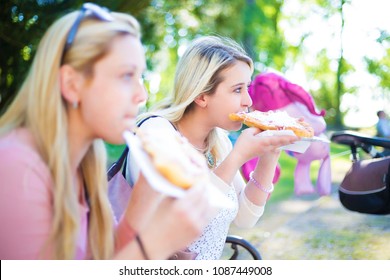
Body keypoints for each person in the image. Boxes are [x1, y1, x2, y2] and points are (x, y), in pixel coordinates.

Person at [0, 3, 213, 260]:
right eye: (126, 76)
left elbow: (106, 256)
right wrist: (157, 242)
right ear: (72, 84)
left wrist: (149, 188)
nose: (141, 95)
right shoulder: (15, 167)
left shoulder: (83, 166)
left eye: (140, 78)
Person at [128, 36, 299, 259]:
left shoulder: (219, 141)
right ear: (201, 96)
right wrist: (237, 157)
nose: (248, 100)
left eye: (247, 87)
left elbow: (246, 219)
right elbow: (176, 225)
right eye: (237, 90)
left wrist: (270, 154)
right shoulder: (156, 132)